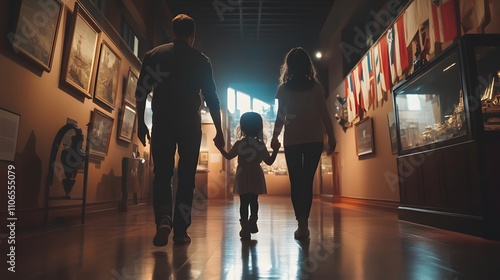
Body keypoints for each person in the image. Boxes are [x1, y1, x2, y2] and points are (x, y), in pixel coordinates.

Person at [135, 14, 224, 246]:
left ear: (173, 31)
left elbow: (141, 91)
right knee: (187, 178)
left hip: (162, 121)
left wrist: (140, 123)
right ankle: (181, 230)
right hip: (189, 123)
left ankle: (163, 219)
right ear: (192, 35)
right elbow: (212, 99)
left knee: (162, 174)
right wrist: (219, 131)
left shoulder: (153, 55)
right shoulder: (201, 60)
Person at [271, 47, 336, 240]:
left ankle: (301, 223)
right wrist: (331, 137)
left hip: (292, 140)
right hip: (314, 139)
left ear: (288, 66)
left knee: (296, 182)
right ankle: (304, 224)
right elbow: (324, 114)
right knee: (307, 182)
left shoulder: (284, 89)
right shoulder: (316, 87)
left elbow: (280, 116)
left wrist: (275, 136)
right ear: (308, 65)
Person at [216, 112, 280, 240]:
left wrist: (220, 148)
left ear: (242, 127)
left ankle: (244, 227)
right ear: (259, 127)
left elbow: (228, 156)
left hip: (243, 173)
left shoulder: (240, 144)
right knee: (254, 200)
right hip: (256, 173)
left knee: (243, 202)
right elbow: (269, 161)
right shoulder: (260, 144)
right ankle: (253, 220)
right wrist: (276, 150)